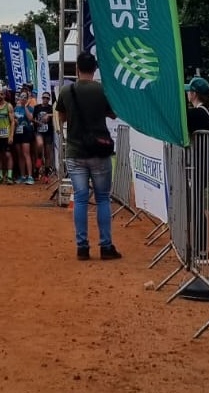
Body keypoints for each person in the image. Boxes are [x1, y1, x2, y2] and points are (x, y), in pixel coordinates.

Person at [56, 51, 121, 261]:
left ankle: (82, 247)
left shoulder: (67, 91)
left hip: (75, 151)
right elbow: (114, 114)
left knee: (81, 198)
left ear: (77, 69)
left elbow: (62, 117)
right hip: (99, 151)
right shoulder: (103, 90)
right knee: (102, 198)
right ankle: (106, 246)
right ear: (95, 69)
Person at [185, 77, 209, 263]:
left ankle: (202, 251)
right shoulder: (205, 112)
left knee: (197, 208)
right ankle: (198, 249)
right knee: (196, 206)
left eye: (189, 92)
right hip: (203, 164)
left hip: (199, 165)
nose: (187, 95)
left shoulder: (198, 113)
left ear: (194, 94)